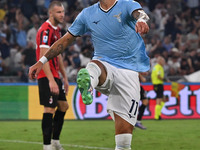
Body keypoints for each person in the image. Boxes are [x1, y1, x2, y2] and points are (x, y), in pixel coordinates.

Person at [29, 0, 150, 149]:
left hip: (129, 72)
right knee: (94, 66)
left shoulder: (127, 4)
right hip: (104, 65)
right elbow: (66, 40)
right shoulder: (87, 14)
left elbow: (140, 14)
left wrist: (141, 20)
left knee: (124, 141)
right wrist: (41, 61)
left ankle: (90, 82)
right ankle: (89, 85)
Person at [34, 1, 69, 150]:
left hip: (55, 75)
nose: (62, 14)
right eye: (58, 12)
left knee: (63, 106)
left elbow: (58, 55)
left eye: (63, 12)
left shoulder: (57, 30)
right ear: (51, 13)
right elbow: (43, 56)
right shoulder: (45, 31)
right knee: (49, 109)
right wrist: (51, 80)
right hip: (45, 75)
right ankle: (47, 146)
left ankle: (55, 141)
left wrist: (64, 77)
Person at [151, 56, 168, 120]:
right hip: (158, 84)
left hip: (156, 85)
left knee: (163, 99)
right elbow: (158, 76)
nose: (164, 62)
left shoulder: (155, 67)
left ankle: (159, 115)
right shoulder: (159, 67)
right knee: (159, 99)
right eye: (163, 61)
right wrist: (164, 79)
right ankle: (156, 116)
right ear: (160, 61)